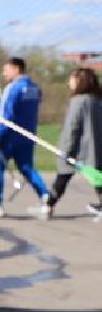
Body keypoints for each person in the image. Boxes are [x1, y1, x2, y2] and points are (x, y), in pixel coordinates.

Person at [0, 56, 51, 218]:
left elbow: (5, 115)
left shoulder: (13, 88)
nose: (4, 73)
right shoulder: (34, 88)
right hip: (26, 135)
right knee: (27, 168)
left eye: (6, 69)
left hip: (9, 136)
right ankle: (46, 197)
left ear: (16, 69)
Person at [45, 65, 102, 217]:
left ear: (80, 81)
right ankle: (49, 204)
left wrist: (67, 150)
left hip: (79, 149)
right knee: (97, 177)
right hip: (96, 148)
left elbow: (72, 127)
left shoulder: (78, 101)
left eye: (72, 79)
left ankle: (49, 205)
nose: (69, 82)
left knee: (63, 175)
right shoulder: (97, 101)